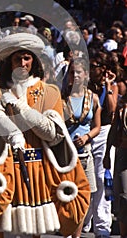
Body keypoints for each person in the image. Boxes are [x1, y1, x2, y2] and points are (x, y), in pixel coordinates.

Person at [0, 32, 90, 237]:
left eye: (27, 57)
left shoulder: (50, 92)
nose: (23, 62)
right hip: (6, 168)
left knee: (34, 230)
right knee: (4, 231)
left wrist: (22, 109)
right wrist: (13, 133)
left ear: (35, 60)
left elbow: (53, 134)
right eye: (17, 58)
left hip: (38, 170)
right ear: (9, 62)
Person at [62, 57, 101, 238]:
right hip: (65, 154)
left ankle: (76, 235)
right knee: (66, 197)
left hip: (85, 153)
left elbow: (97, 126)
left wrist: (87, 136)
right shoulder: (63, 97)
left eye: (79, 72)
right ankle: (67, 231)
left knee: (84, 197)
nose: (75, 75)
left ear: (85, 74)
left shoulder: (92, 98)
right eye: (72, 72)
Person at [83, 51, 118, 237]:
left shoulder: (110, 86)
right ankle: (84, 221)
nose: (92, 69)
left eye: (95, 66)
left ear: (103, 69)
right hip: (86, 132)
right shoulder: (85, 85)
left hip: (103, 132)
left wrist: (108, 85)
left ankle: (102, 226)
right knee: (85, 179)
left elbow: (111, 110)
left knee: (101, 178)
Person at [103, 91, 127, 238]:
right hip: (123, 153)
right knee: (124, 195)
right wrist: (107, 153)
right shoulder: (122, 108)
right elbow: (113, 132)